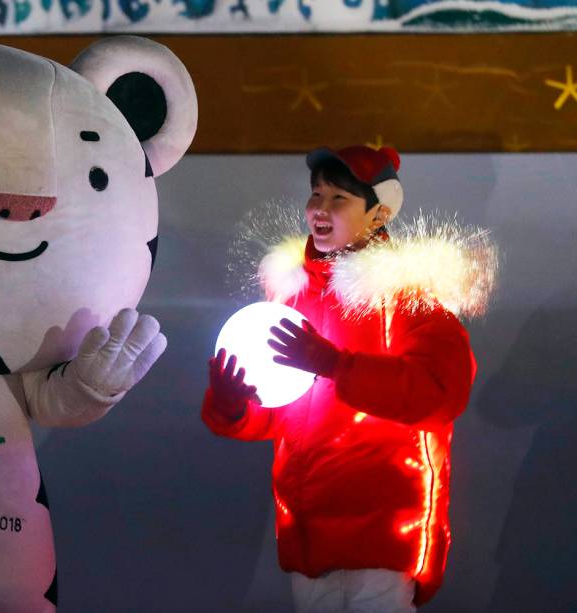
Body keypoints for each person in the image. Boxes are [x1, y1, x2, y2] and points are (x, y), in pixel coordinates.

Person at [202, 145, 494, 612]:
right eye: (316, 194)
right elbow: (283, 417)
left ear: (378, 215)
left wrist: (336, 365)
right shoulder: (289, 300)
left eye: (339, 197)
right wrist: (233, 403)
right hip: (307, 528)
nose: (320, 208)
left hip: (384, 526)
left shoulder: (408, 299)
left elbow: (441, 392)